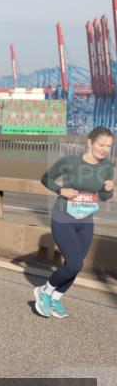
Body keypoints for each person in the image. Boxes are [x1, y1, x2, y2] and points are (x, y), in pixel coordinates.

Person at [34, 126, 114, 318]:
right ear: (90, 142)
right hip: (63, 218)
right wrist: (61, 190)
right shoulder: (70, 162)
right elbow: (46, 178)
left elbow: (103, 196)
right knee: (74, 265)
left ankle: (56, 298)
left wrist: (109, 189)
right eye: (101, 145)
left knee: (76, 264)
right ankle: (44, 291)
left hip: (85, 221)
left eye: (109, 146)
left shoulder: (108, 167)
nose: (105, 149)